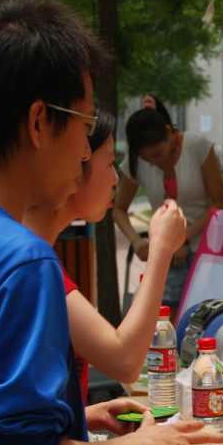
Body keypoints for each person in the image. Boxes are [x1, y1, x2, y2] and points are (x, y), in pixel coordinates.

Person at [0, 0, 223, 445]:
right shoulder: (25, 264)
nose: (86, 155)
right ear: (38, 123)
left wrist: (75, 421)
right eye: (84, 127)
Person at [23, 111, 188, 399]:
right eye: (110, 163)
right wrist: (161, 249)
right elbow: (125, 361)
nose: (115, 179)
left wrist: (86, 416)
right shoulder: (32, 265)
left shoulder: (33, 253)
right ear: (76, 163)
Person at [114, 105, 223, 316]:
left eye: (158, 154)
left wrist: (182, 238)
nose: (154, 162)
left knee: (205, 316)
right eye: (147, 159)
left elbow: (219, 203)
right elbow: (118, 209)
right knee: (167, 319)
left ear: (169, 133)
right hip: (167, 256)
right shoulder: (136, 162)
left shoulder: (197, 146)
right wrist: (137, 241)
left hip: (206, 249)